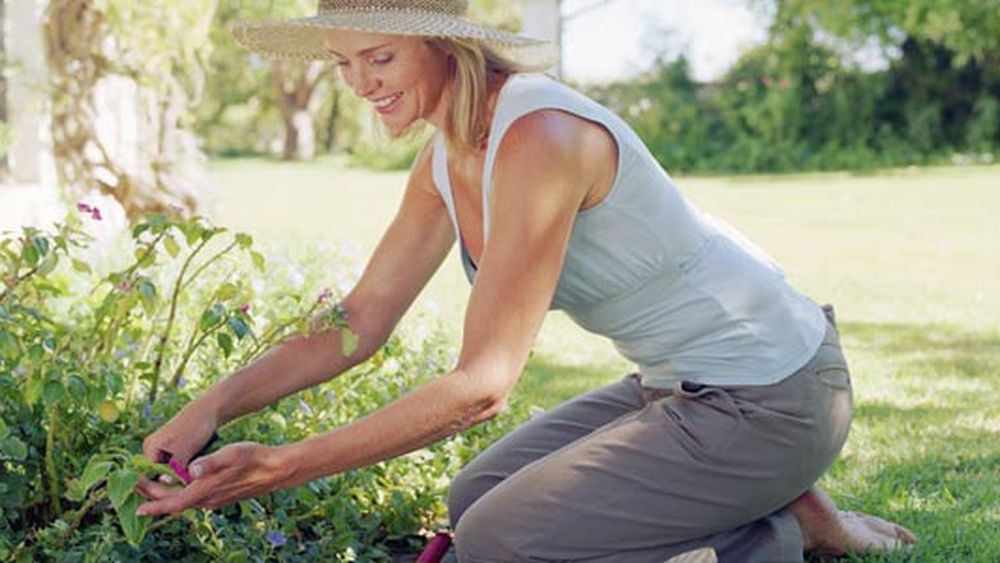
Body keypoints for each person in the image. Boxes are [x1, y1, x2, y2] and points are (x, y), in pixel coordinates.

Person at [136, 1, 916, 560]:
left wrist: (285, 462)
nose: (361, 84)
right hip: (680, 388)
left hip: (774, 394)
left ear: (445, 45)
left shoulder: (540, 135)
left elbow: (482, 385)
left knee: (499, 539)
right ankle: (777, 506)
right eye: (345, 63)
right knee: (473, 501)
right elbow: (362, 316)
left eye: (380, 57)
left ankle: (771, 529)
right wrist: (212, 405)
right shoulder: (444, 157)